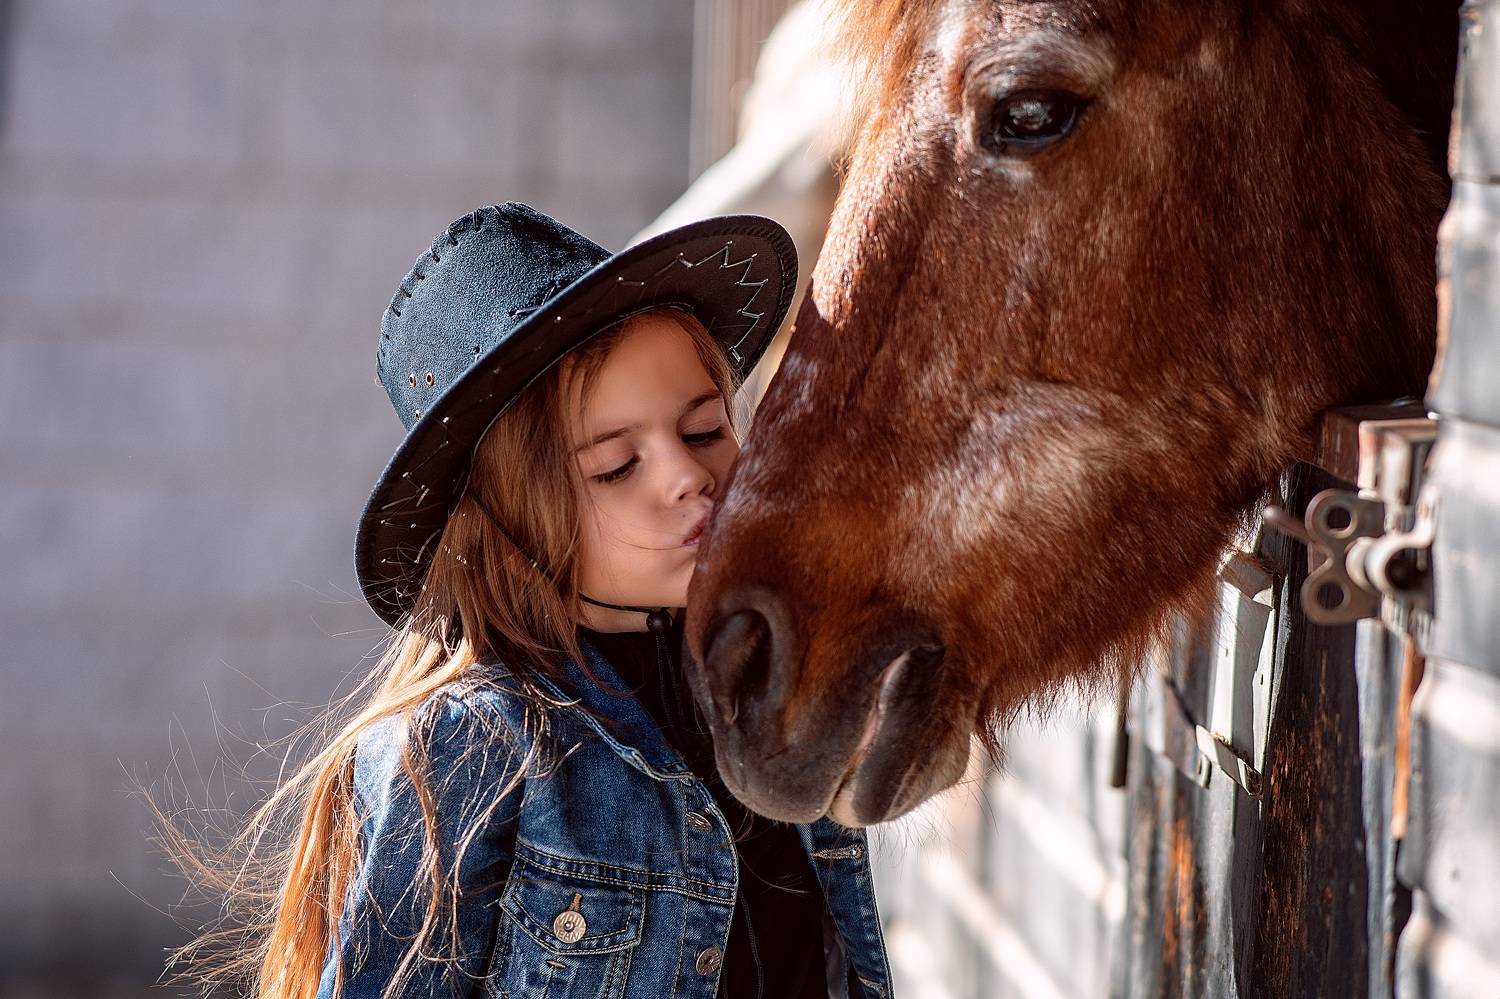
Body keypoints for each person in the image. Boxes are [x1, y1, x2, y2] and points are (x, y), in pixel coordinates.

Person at [182, 203, 894, 999]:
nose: (686, 476)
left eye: (703, 430)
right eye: (616, 467)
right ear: (507, 525)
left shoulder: (776, 678)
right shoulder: (470, 747)